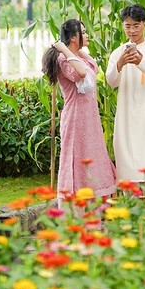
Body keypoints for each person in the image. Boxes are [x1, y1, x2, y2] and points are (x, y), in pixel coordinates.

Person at [42, 19, 117, 200]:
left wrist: (74, 49)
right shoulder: (64, 60)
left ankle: (92, 203)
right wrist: (66, 50)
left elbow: (94, 67)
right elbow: (81, 74)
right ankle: (75, 208)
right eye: (83, 33)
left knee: (92, 157)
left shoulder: (77, 57)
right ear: (74, 37)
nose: (87, 35)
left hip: (89, 120)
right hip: (76, 120)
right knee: (77, 158)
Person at [106, 4, 145, 210]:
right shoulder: (118, 52)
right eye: (127, 26)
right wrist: (120, 64)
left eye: (136, 26)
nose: (132, 31)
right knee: (128, 174)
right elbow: (110, 81)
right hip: (125, 119)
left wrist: (141, 62)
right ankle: (133, 221)